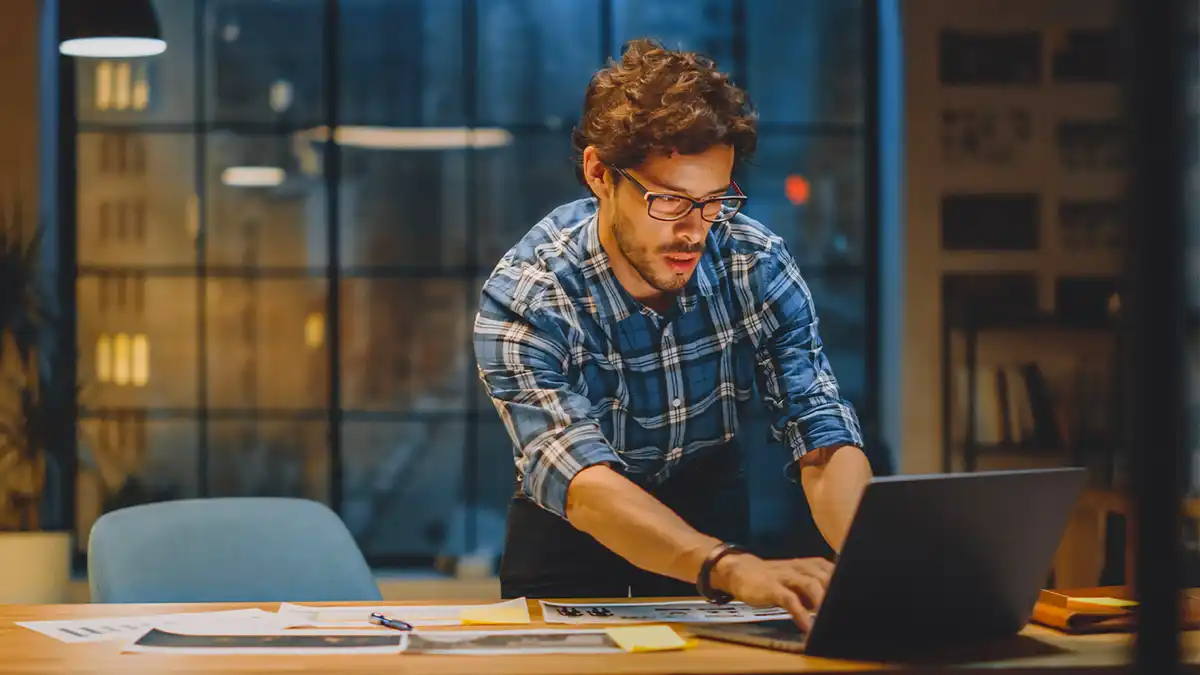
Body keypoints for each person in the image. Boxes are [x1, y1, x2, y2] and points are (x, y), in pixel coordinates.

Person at [473, 38, 872, 631]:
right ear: (599, 174)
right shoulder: (528, 296)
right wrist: (731, 567)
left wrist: (876, 566)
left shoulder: (753, 261)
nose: (694, 231)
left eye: (714, 201)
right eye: (669, 201)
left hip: (707, 503)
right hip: (575, 525)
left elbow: (817, 427)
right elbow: (580, 479)